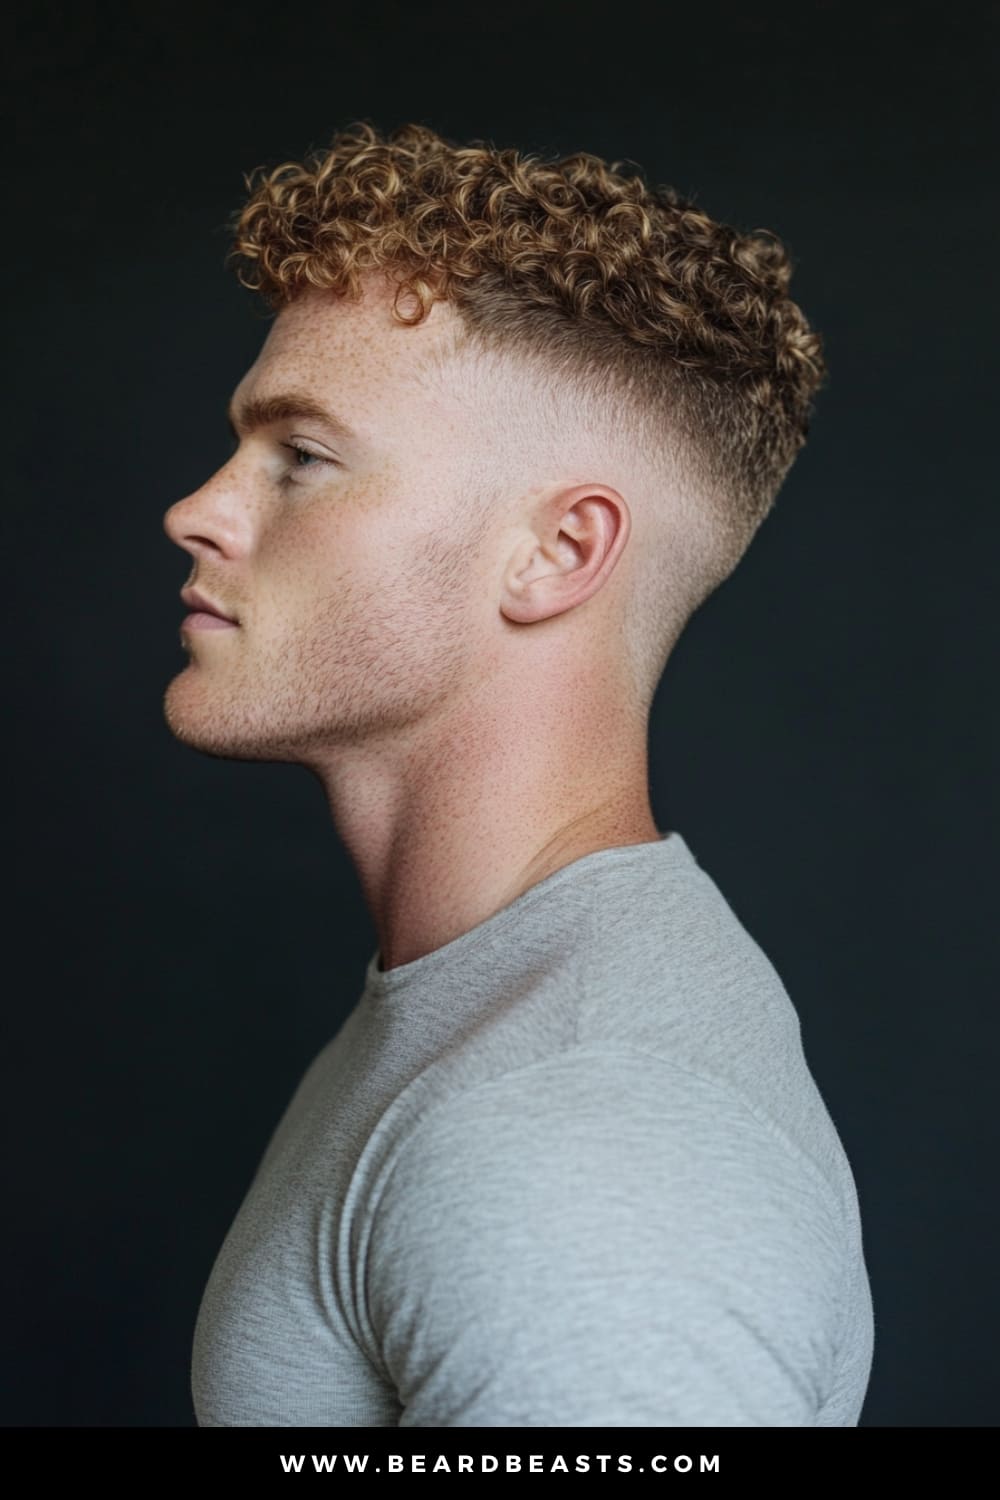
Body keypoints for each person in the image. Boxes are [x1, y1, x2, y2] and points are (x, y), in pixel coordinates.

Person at [162, 120, 875, 1427]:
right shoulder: (474, 1020)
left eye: (301, 456)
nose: (199, 509)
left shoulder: (584, 1138)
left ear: (555, 554)